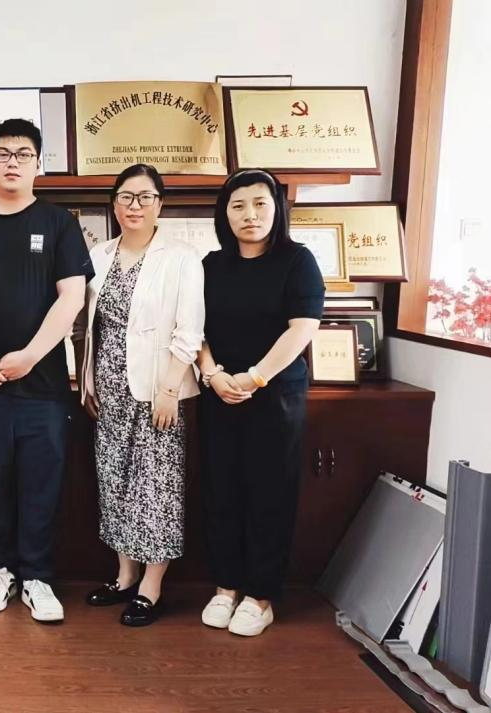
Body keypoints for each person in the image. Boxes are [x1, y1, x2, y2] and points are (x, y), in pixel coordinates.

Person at [0, 118, 91, 623]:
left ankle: (37, 577)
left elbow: (72, 297)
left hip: (44, 385)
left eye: (23, 154)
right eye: (3, 154)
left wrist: (30, 354)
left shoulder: (59, 222)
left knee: (41, 485)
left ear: (38, 164)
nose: (13, 162)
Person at [197, 168, 324, 637]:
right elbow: (193, 328)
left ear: (277, 209)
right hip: (219, 393)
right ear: (224, 214)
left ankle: (261, 596)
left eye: (260, 204)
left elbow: (302, 328)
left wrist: (254, 377)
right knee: (221, 491)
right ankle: (226, 587)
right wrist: (213, 374)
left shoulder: (297, 261)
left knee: (269, 494)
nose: (249, 214)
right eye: (238, 206)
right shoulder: (211, 265)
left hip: (274, 396)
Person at [79, 164, 204, 627]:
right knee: (115, 481)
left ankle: (152, 586)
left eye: (145, 197)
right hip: (108, 389)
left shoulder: (182, 257)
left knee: (155, 488)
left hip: (156, 390)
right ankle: (125, 575)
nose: (135, 206)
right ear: (114, 204)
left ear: (160, 205)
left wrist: (169, 388)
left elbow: (190, 330)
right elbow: (88, 326)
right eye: (126, 197)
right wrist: (87, 380)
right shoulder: (99, 254)